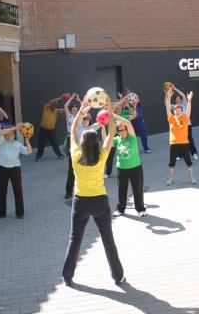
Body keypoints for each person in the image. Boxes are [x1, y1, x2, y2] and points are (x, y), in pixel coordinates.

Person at [62, 95, 125, 286]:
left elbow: (73, 131)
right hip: (99, 202)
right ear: (96, 142)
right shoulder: (102, 155)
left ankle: (67, 276)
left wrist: (82, 110)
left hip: (80, 201)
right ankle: (118, 276)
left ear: (82, 143)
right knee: (108, 239)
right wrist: (110, 112)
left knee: (75, 240)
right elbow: (111, 132)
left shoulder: (75, 155)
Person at [111, 114, 146, 217]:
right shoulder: (117, 139)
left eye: (123, 130)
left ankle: (140, 209)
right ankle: (120, 209)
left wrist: (113, 115)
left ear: (127, 130)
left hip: (135, 167)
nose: (122, 132)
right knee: (121, 190)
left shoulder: (132, 137)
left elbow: (128, 123)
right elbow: (106, 140)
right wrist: (104, 125)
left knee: (137, 189)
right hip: (122, 168)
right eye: (120, 130)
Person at [0, 123, 32, 219]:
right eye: (7, 134)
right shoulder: (1, 141)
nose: (9, 136)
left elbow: (28, 151)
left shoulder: (18, 144)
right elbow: (1, 132)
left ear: (14, 135)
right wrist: (15, 127)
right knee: (2, 191)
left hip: (15, 169)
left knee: (18, 191)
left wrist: (27, 140)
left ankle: (20, 213)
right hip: (2, 168)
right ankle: (1, 213)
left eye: (11, 134)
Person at [164, 89, 197, 186]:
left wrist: (189, 100)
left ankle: (191, 177)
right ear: (174, 111)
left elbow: (189, 110)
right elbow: (167, 106)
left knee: (188, 162)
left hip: (184, 144)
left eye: (179, 110)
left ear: (181, 111)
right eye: (176, 110)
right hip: (174, 144)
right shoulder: (171, 118)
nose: (178, 111)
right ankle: (170, 179)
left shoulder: (185, 118)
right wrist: (169, 96)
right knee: (172, 163)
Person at [171, 86, 199, 160]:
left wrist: (175, 89)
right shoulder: (174, 107)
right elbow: (166, 104)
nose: (177, 100)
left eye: (178, 99)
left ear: (181, 100)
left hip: (187, 125)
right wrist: (167, 94)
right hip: (179, 126)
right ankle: (180, 155)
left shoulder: (185, 103)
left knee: (189, 139)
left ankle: (194, 153)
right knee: (180, 140)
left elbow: (183, 95)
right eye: (176, 99)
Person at [35, 97, 65, 161]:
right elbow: (52, 101)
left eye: (54, 105)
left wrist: (67, 101)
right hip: (43, 130)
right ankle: (38, 157)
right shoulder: (46, 107)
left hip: (51, 131)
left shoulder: (56, 111)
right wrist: (61, 98)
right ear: (50, 104)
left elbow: (64, 110)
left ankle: (59, 155)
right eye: (52, 104)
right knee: (41, 144)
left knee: (55, 143)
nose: (53, 106)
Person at [125, 88, 151, 153]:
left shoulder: (137, 103)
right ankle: (132, 150)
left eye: (130, 96)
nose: (130, 97)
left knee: (144, 136)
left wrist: (131, 93)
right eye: (128, 96)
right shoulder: (126, 106)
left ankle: (146, 148)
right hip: (132, 124)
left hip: (140, 123)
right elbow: (127, 115)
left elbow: (137, 98)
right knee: (131, 137)